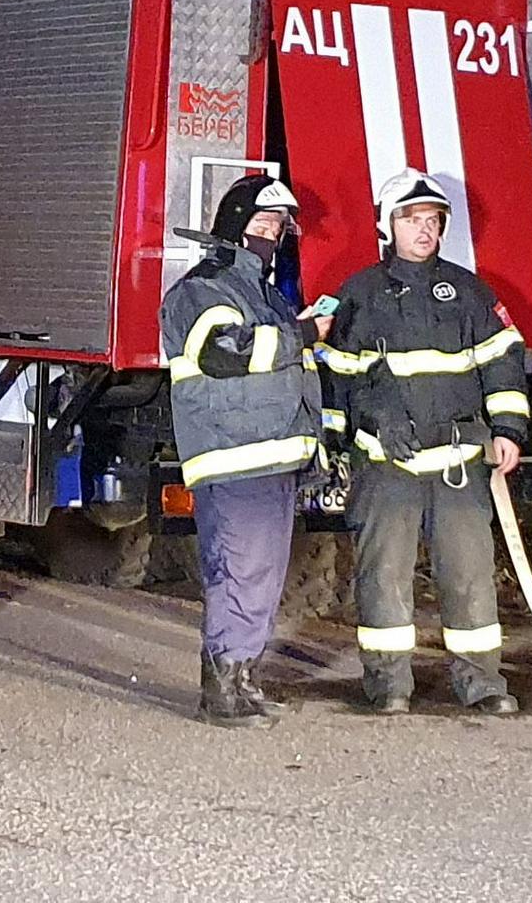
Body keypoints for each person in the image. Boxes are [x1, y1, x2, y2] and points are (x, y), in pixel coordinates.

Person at [321, 169, 530, 715]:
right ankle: (389, 685)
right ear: (387, 226)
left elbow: (502, 363)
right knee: (384, 577)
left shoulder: (469, 292)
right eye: (411, 219)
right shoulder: (358, 295)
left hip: (459, 463)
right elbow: (337, 376)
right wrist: (353, 432)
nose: (424, 229)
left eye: (433, 220)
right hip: (385, 465)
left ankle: (482, 683)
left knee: (470, 579)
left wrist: (508, 431)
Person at [160, 174, 330, 728]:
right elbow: (224, 352)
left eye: (277, 227)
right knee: (237, 573)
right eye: (261, 223)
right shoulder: (202, 289)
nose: (270, 234)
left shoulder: (265, 293)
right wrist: (304, 335)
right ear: (233, 227)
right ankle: (221, 692)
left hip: (273, 458)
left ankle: (243, 679)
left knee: (261, 576)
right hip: (234, 457)